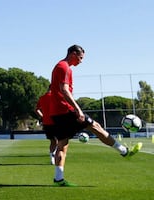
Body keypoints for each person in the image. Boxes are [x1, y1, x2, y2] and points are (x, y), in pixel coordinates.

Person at [49, 45, 143, 187]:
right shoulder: (64, 67)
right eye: (80, 58)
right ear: (73, 54)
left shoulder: (60, 66)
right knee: (94, 125)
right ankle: (124, 151)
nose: (81, 61)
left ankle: (58, 178)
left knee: (62, 146)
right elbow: (64, 90)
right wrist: (78, 110)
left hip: (57, 112)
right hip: (66, 111)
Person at [36, 87, 58, 165]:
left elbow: (37, 109)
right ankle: (55, 155)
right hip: (56, 122)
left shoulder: (42, 98)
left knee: (53, 141)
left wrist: (42, 116)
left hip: (46, 123)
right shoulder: (56, 97)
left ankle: (52, 156)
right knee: (60, 140)